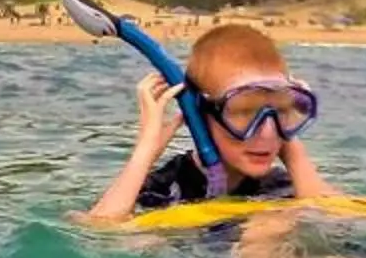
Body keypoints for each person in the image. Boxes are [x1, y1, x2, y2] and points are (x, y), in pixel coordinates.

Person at [84, 23, 338, 221]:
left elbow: (343, 221)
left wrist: (294, 154)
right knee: (267, 226)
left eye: (281, 113)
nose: (268, 133)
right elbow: (100, 231)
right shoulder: (166, 187)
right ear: (199, 112)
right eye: (244, 113)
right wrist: (146, 150)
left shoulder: (286, 185)